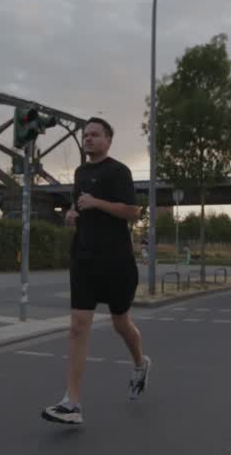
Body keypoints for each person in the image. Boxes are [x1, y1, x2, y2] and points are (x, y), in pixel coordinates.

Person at [41, 117, 151, 425]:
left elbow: (132, 211)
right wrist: (72, 216)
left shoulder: (119, 171)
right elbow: (82, 207)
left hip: (116, 261)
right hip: (84, 258)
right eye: (85, 135)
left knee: (121, 323)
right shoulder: (80, 172)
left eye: (94, 135)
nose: (87, 139)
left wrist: (96, 202)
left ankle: (140, 363)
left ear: (108, 140)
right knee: (78, 326)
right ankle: (72, 403)